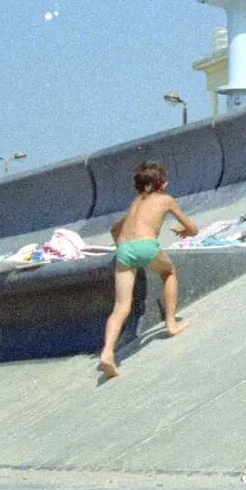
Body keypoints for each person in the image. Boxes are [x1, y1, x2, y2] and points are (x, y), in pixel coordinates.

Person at [97, 161, 197, 378]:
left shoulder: (134, 203)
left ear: (136, 188)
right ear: (165, 184)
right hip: (146, 246)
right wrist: (185, 232)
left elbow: (114, 229)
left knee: (121, 307)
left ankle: (107, 353)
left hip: (124, 249)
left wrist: (125, 249)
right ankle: (171, 324)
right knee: (168, 272)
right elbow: (193, 228)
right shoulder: (166, 200)